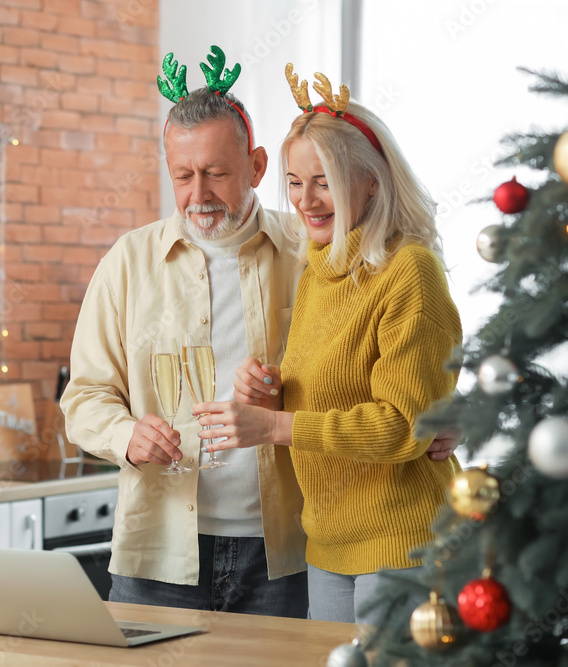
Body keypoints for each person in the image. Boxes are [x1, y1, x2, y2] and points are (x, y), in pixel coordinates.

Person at [60, 48, 453, 617]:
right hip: (161, 551)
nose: (198, 194)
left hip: (289, 549)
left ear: (258, 166)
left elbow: (413, 342)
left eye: (216, 173)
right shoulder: (127, 263)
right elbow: (85, 397)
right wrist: (124, 435)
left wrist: (448, 412)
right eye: (183, 175)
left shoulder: (316, 246)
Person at [193, 65, 463, 624]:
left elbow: (403, 425)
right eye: (294, 181)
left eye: (325, 181)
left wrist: (273, 427)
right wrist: (271, 393)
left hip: (405, 543)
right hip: (329, 543)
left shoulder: (409, 270)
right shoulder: (319, 270)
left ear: (371, 181)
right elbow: (331, 399)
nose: (306, 200)